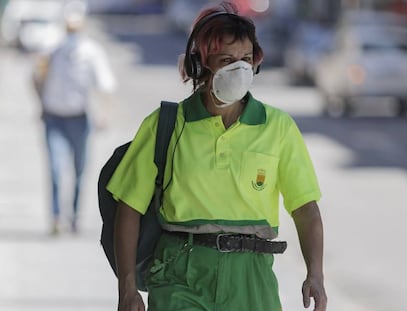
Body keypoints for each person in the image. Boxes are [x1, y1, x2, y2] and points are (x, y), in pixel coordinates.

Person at [107, 1, 327, 310]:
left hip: (252, 278)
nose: (239, 68)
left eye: (246, 59)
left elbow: (305, 208)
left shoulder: (278, 127)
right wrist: (127, 289)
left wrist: (315, 273)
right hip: (180, 275)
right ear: (200, 64)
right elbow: (128, 208)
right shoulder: (166, 124)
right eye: (226, 59)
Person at [33, 0, 116, 235]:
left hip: (79, 120)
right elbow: (36, 78)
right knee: (56, 170)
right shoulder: (51, 50)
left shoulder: (91, 52)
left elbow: (105, 85)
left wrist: (104, 115)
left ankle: (75, 216)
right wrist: (40, 103)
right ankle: (57, 218)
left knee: (79, 171)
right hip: (54, 119)